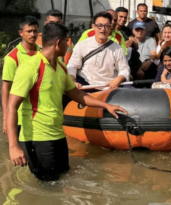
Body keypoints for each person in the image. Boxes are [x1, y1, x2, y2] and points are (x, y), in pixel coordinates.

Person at [6, 22, 128, 181]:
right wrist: (13, 147)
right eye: (66, 43)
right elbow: (11, 106)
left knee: (64, 177)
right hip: (37, 137)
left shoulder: (61, 67)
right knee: (48, 185)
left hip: (57, 134)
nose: (69, 47)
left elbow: (76, 94)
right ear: (58, 43)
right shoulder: (30, 67)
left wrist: (106, 105)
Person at [67, 11, 130, 91]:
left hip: (108, 87)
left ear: (111, 27)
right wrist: (72, 81)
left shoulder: (118, 49)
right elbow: (72, 66)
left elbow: (124, 69)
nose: (103, 29)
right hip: (85, 85)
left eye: (106, 26)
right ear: (93, 26)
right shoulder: (81, 45)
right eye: (99, 26)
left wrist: (119, 79)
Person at [2, 16, 40, 136]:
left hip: (40, 115)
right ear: (21, 33)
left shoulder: (43, 54)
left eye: (35, 31)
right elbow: (5, 89)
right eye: (29, 31)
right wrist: (6, 118)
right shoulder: (12, 58)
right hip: (19, 116)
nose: (32, 34)